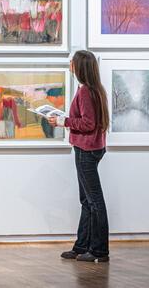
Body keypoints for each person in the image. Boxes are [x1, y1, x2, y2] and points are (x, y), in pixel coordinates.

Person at [47, 50, 110, 263]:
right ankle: (81, 246)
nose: (69, 64)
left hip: (86, 150)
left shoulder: (85, 92)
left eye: (72, 62)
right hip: (92, 148)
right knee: (86, 200)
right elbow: (90, 122)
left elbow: (87, 124)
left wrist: (63, 121)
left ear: (79, 67)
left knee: (94, 202)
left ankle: (99, 251)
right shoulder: (94, 89)